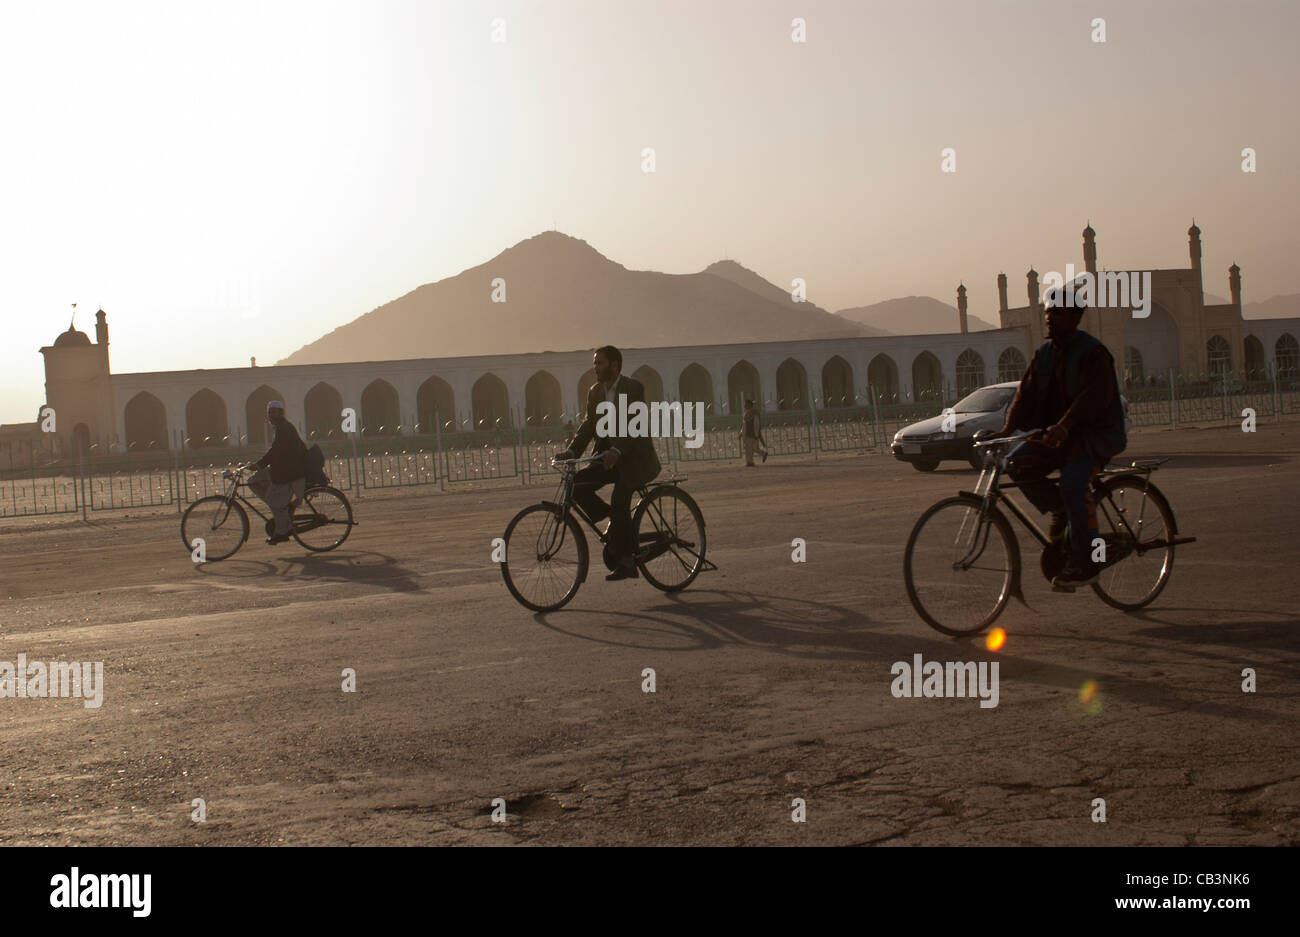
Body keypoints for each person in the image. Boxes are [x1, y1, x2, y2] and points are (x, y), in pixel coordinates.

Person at [982, 289, 1127, 587]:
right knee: (1016, 464)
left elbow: (1094, 397)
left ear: (1075, 317)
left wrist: (1065, 425)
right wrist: (1008, 430)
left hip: (1092, 437)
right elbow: (1026, 394)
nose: (1050, 319)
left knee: (1074, 482)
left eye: (1057, 313)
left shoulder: (1093, 353)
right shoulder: (1044, 355)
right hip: (1055, 436)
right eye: (1048, 313)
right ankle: (1062, 511)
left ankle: (1088, 561)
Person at [556, 345, 661, 581]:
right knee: (577, 485)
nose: (595, 367)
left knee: (619, 498)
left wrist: (617, 449)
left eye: (599, 363)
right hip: (607, 460)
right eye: (594, 363)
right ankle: (616, 525)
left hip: (635, 460)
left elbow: (636, 425)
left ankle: (626, 562)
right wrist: (572, 450)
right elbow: (588, 425)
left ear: (614, 365)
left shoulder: (633, 388)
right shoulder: (595, 392)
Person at [248, 401, 308, 544]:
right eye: (269, 412)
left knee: (276, 502)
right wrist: (260, 465)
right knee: (253, 481)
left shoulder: (284, 428)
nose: (271, 415)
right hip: (281, 468)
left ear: (281, 413)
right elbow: (276, 451)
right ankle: (282, 505)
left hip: (289, 471)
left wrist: (260, 464)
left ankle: (281, 532)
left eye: (274, 412)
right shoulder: (280, 427)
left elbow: (276, 450)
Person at [741, 399, 768, 466]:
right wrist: (741, 432)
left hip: (751, 434)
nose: (744, 406)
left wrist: (756, 433)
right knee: (755, 448)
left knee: (749, 448)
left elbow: (756, 424)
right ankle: (763, 453)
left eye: (745, 404)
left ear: (749, 405)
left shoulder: (754, 413)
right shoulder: (746, 413)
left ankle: (750, 462)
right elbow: (743, 424)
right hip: (748, 434)